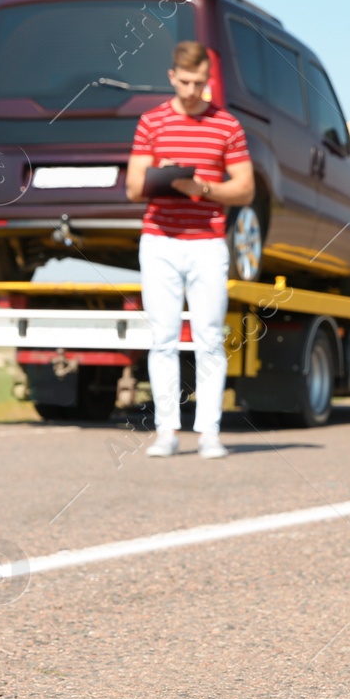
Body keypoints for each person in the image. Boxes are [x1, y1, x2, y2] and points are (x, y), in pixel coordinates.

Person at [125, 41, 255, 459]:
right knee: (163, 338)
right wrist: (163, 180)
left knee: (210, 338)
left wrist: (204, 189)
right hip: (159, 241)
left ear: (208, 80)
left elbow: (245, 188)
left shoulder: (227, 125)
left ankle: (210, 433)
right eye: (185, 82)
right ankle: (166, 431)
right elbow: (131, 187)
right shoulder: (152, 122)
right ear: (171, 77)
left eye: (200, 83)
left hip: (207, 244)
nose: (193, 90)